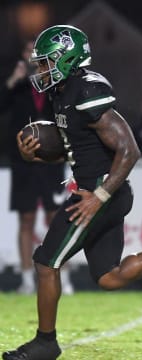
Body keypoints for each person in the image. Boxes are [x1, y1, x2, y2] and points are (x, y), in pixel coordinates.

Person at [2, 25, 142, 360]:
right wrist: (37, 152)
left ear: (66, 59)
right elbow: (77, 146)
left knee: (46, 263)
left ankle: (45, 342)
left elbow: (129, 149)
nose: (41, 70)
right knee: (108, 277)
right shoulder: (62, 91)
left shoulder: (85, 89)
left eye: (47, 62)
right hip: (102, 192)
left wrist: (99, 197)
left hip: (100, 193)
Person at [0, 40, 73, 295]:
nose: (33, 57)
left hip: (51, 161)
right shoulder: (17, 86)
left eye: (38, 52)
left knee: (56, 217)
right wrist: (13, 80)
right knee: (26, 218)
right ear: (22, 56)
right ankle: (27, 279)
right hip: (23, 163)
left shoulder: (56, 84)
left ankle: (64, 275)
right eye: (29, 51)